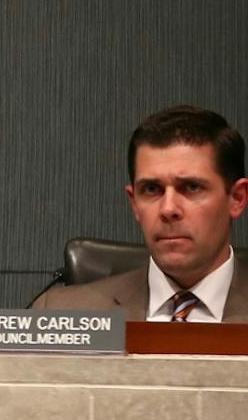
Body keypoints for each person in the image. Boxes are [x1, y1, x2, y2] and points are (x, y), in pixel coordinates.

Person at [35, 104, 247, 321]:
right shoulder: (60, 315)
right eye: (152, 189)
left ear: (237, 198)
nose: (168, 209)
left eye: (192, 187)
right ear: (134, 202)